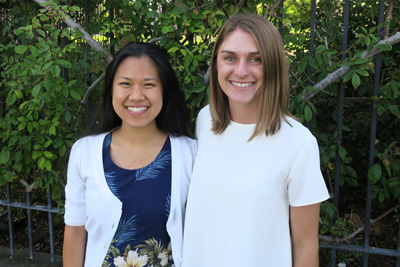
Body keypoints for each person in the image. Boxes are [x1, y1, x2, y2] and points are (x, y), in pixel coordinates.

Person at [181, 14, 329, 267]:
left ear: (272, 65)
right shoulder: (206, 121)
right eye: (229, 58)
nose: (241, 71)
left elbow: (304, 245)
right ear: (216, 64)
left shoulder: (298, 142)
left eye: (256, 59)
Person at [63, 42, 197, 267]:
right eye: (125, 84)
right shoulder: (84, 153)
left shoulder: (190, 154)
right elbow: (75, 231)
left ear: (164, 90)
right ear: (111, 90)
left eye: (148, 84)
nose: (136, 96)